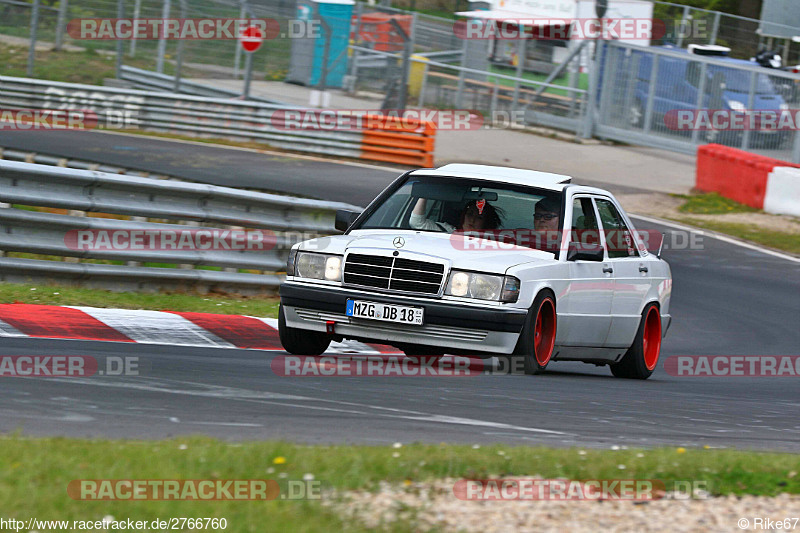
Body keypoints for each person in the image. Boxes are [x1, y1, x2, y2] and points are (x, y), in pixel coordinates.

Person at [410, 198, 503, 233]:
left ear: (486, 222)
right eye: (470, 214)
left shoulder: (492, 243)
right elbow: (417, 223)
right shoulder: (447, 231)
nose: (472, 220)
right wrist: (424, 195)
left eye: (479, 217)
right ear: (463, 215)